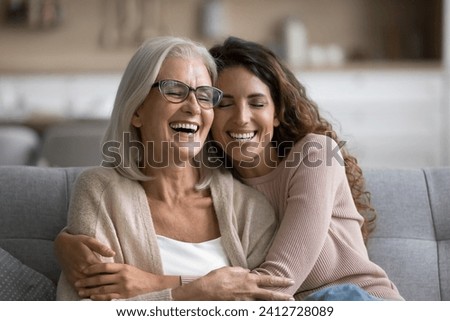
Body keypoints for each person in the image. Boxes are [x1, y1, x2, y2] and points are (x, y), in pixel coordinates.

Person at [56, 36, 404, 301]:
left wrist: (164, 285)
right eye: (223, 102)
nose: (240, 118)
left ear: (278, 112)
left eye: (257, 103)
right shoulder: (232, 182)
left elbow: (270, 289)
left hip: (355, 301)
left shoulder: (311, 157)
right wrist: (61, 241)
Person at [55, 35, 294, 301]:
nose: (193, 107)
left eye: (205, 96)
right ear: (136, 110)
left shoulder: (248, 208)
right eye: (174, 90)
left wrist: (162, 287)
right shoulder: (100, 192)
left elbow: (270, 303)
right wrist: (194, 292)